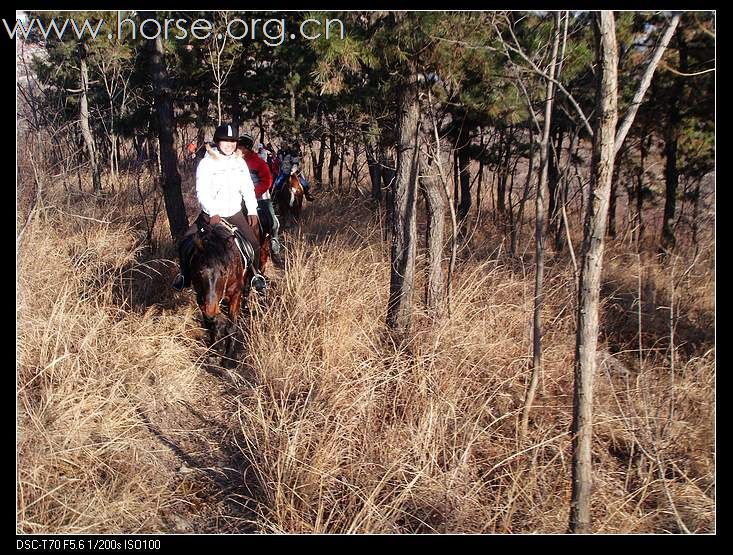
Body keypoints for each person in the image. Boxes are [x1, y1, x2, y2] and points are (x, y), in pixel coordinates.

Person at [172, 123, 266, 293]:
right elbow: (202, 191)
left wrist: (252, 210)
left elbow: (247, 188)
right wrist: (213, 211)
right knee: (186, 241)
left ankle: (255, 276)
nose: (229, 145)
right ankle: (184, 276)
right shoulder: (207, 163)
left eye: (233, 141)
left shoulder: (240, 163)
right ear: (217, 142)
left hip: (234, 213)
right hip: (211, 215)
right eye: (225, 141)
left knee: (254, 244)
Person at [238, 133, 282, 261]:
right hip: (238, 199)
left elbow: (267, 181)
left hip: (261, 198)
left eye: (239, 146)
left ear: (246, 148)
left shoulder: (259, 162)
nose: (237, 149)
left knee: (273, 222)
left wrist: (252, 195)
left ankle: (275, 245)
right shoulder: (235, 161)